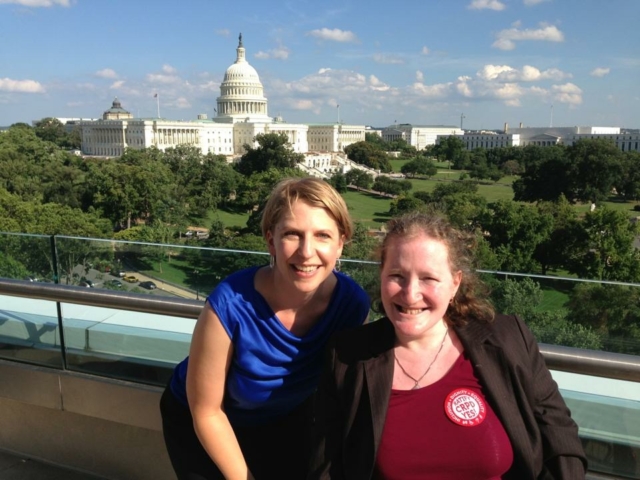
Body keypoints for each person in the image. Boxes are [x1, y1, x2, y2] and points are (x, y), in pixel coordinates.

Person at [309, 212, 587, 480]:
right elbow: (327, 468)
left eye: (428, 278)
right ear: (381, 275)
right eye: (397, 276)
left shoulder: (507, 339)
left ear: (455, 284)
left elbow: (559, 439)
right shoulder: (348, 357)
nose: (410, 293)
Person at [161, 177, 370, 480]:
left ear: (341, 242)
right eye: (292, 235)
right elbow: (207, 412)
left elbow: (344, 390)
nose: (306, 251)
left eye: (322, 235)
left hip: (284, 417)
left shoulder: (351, 305)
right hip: (204, 420)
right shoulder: (230, 305)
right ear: (271, 240)